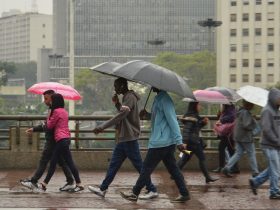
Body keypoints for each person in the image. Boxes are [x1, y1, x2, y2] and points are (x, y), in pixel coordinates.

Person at [88, 77, 158, 200]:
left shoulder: (130, 97)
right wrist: (117, 103)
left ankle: (152, 189)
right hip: (124, 138)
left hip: (129, 138)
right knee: (114, 165)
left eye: (116, 86)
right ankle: (103, 188)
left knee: (139, 166)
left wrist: (102, 127)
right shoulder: (126, 98)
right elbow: (123, 112)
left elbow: (121, 115)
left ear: (121, 86)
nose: (115, 88)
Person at [120, 88, 190, 203]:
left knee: (146, 168)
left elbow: (172, 120)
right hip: (164, 142)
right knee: (173, 169)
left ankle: (134, 193)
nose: (152, 86)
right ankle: (184, 193)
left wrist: (179, 141)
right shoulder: (158, 98)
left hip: (161, 143)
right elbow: (158, 117)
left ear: (160, 85)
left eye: (154, 84)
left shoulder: (165, 100)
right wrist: (147, 115)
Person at [20, 90, 75, 192]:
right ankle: (71, 181)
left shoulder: (55, 111)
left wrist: (38, 127)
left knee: (44, 160)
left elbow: (49, 126)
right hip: (58, 140)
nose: (45, 101)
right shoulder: (55, 110)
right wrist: (35, 129)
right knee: (62, 161)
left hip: (53, 140)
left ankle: (34, 181)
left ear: (52, 99)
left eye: (46, 99)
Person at [40, 93, 83, 192]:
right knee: (69, 162)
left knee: (54, 162)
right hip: (66, 138)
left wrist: (47, 119)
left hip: (60, 139)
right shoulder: (64, 111)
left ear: (55, 101)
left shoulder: (55, 112)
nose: (50, 102)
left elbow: (49, 126)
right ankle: (79, 183)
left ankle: (45, 183)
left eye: (52, 100)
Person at [249, 88, 280, 199]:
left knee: (274, 168)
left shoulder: (276, 110)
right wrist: (277, 141)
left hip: (275, 145)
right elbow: (266, 129)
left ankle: (255, 182)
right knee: (276, 169)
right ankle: (274, 192)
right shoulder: (267, 111)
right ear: (273, 98)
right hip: (269, 145)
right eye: (279, 98)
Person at [177, 102, 218, 183]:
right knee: (202, 158)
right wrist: (184, 142)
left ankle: (175, 173)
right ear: (194, 106)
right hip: (194, 142)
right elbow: (187, 130)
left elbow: (195, 127)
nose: (200, 106)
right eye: (199, 105)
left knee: (185, 158)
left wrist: (203, 123)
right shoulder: (192, 117)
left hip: (191, 142)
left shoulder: (192, 115)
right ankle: (207, 177)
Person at [222, 100, 259, 177]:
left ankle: (227, 167)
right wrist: (253, 121)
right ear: (249, 104)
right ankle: (255, 172)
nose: (253, 106)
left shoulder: (240, 112)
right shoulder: (246, 113)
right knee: (251, 154)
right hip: (246, 138)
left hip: (238, 136)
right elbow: (247, 125)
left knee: (238, 153)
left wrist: (251, 118)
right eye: (252, 104)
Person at [212, 104, 238, 173]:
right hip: (228, 133)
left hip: (228, 133)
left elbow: (232, 117)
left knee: (222, 148)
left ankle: (222, 167)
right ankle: (234, 168)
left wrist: (222, 120)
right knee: (230, 150)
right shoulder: (227, 109)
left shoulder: (230, 109)